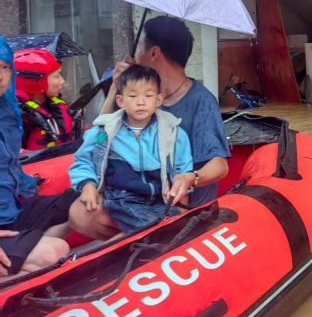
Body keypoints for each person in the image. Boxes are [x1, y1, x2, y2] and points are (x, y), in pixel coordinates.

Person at [70, 17, 229, 240]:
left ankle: (147, 242)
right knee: (80, 214)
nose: (133, 57)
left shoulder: (201, 101)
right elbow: (102, 133)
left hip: (179, 201)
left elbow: (220, 165)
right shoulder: (137, 98)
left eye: (138, 49)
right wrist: (117, 86)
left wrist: (188, 179)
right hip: (136, 195)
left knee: (147, 227)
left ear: (154, 53)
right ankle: (141, 240)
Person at [69, 65, 193, 235]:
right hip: (123, 196)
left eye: (148, 95)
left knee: (179, 228)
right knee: (155, 231)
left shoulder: (174, 132)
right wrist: (87, 185)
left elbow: (183, 169)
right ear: (120, 100)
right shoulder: (104, 131)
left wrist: (180, 191)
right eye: (133, 96)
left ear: (158, 100)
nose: (140, 102)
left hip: (160, 197)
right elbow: (84, 160)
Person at [0, 37, 75, 279]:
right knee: (55, 251)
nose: (1, 75)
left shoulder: (7, 112)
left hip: (10, 211)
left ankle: (25, 251)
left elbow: (11, 167)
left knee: (80, 203)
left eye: (5, 67)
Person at [14, 49, 75, 151]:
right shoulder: (15, 116)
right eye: (57, 76)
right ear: (36, 82)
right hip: (39, 161)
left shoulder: (55, 106)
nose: (62, 81)